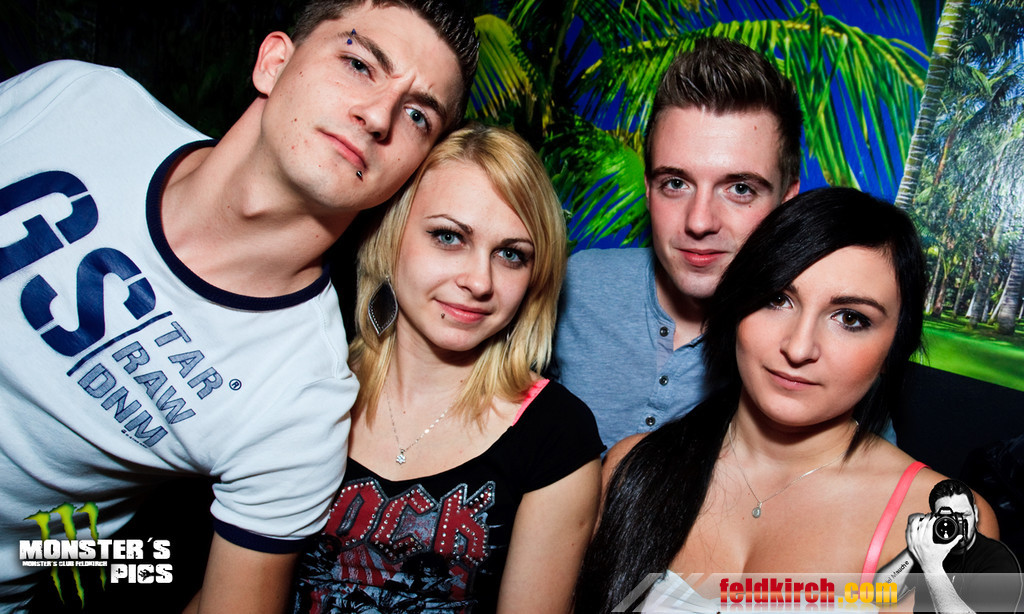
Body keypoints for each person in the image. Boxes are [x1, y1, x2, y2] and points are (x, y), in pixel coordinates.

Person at [0, 1, 478, 612]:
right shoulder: (79, 101)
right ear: (274, 63)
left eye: (417, 115)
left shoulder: (300, 405)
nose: (379, 116)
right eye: (359, 64)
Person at [573, 188, 1000, 613]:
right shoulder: (632, 468)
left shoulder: (948, 521)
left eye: (850, 318)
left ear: (894, 350)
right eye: (777, 299)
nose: (798, 348)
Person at [290, 123, 603, 613]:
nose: (479, 281)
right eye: (449, 237)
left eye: (511, 254)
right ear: (391, 237)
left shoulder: (557, 436)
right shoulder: (305, 388)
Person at [551, 36, 803, 448]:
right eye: (675, 183)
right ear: (648, 191)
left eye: (740, 189)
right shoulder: (577, 285)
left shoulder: (807, 346)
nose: (699, 222)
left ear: (786, 202)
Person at [877, 479, 1022, 612]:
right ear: (934, 520)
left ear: (976, 514)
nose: (956, 524)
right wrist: (914, 548)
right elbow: (880, 594)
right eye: (947, 518)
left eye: (963, 515)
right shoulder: (927, 551)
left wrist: (932, 567)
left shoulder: (998, 560)